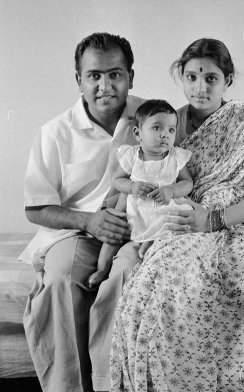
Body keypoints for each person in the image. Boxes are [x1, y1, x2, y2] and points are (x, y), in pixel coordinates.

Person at [110, 38, 244, 392]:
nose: (200, 87)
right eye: (192, 76)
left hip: (241, 220)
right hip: (185, 220)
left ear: (227, 81)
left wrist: (214, 219)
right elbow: (134, 177)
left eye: (211, 78)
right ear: (180, 76)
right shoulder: (166, 123)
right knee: (167, 290)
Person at [20, 32, 145, 392]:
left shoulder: (153, 116)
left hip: (133, 232)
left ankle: (113, 385)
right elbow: (36, 207)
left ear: (130, 77)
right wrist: (89, 221)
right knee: (60, 278)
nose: (105, 85)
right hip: (76, 232)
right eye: (94, 76)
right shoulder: (55, 132)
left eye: (115, 74)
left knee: (131, 275)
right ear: (79, 81)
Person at [88, 99, 193, 288]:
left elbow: (188, 183)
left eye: (171, 130)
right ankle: (101, 270)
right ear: (138, 134)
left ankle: (148, 244)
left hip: (162, 209)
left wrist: (172, 189)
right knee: (113, 236)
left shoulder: (175, 157)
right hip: (134, 210)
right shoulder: (131, 155)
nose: (165, 135)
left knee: (170, 228)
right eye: (157, 128)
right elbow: (117, 180)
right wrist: (133, 186)